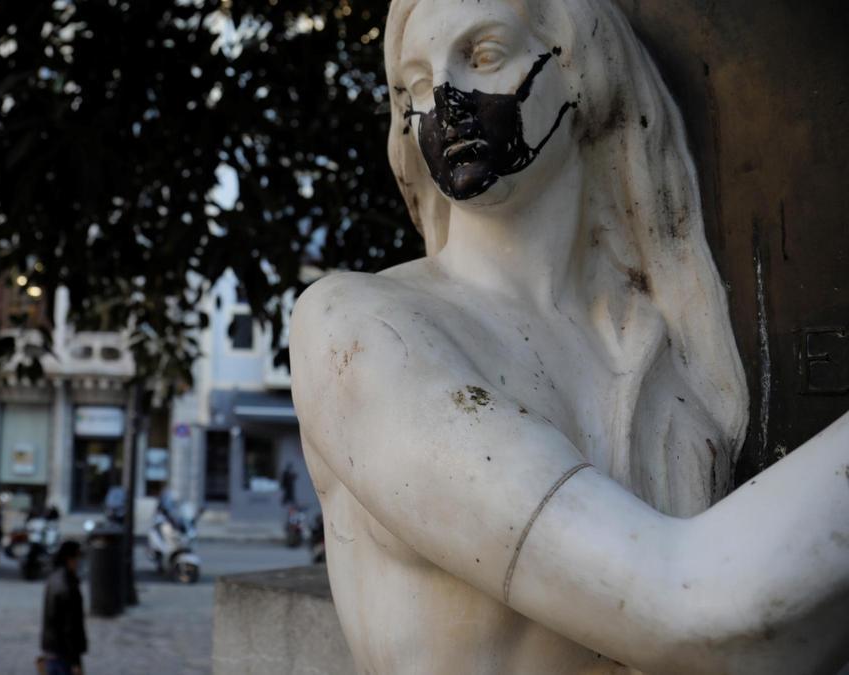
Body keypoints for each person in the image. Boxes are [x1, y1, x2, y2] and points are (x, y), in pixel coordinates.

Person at [290, 0, 849, 672]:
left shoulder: (663, 359)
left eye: (485, 54)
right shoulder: (358, 330)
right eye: (416, 83)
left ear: (581, 71)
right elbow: (691, 608)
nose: (444, 99)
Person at [41, 541, 87, 675]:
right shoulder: (67, 586)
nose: (79, 562)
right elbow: (70, 627)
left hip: (52, 650)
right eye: (78, 557)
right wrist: (75, 661)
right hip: (63, 654)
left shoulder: (54, 579)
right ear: (70, 558)